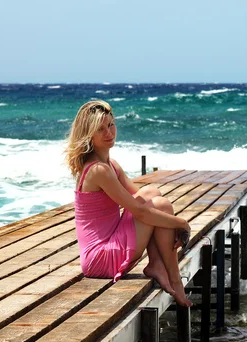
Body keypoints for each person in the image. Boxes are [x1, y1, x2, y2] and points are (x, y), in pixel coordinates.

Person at [64, 100, 192, 307]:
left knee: (153, 193)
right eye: (101, 129)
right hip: (100, 259)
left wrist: (171, 219)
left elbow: (142, 197)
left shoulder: (110, 165)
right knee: (158, 205)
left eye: (111, 125)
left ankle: (157, 264)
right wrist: (181, 223)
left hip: (110, 244)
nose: (109, 133)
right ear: (89, 135)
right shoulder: (98, 170)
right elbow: (140, 211)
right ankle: (174, 279)